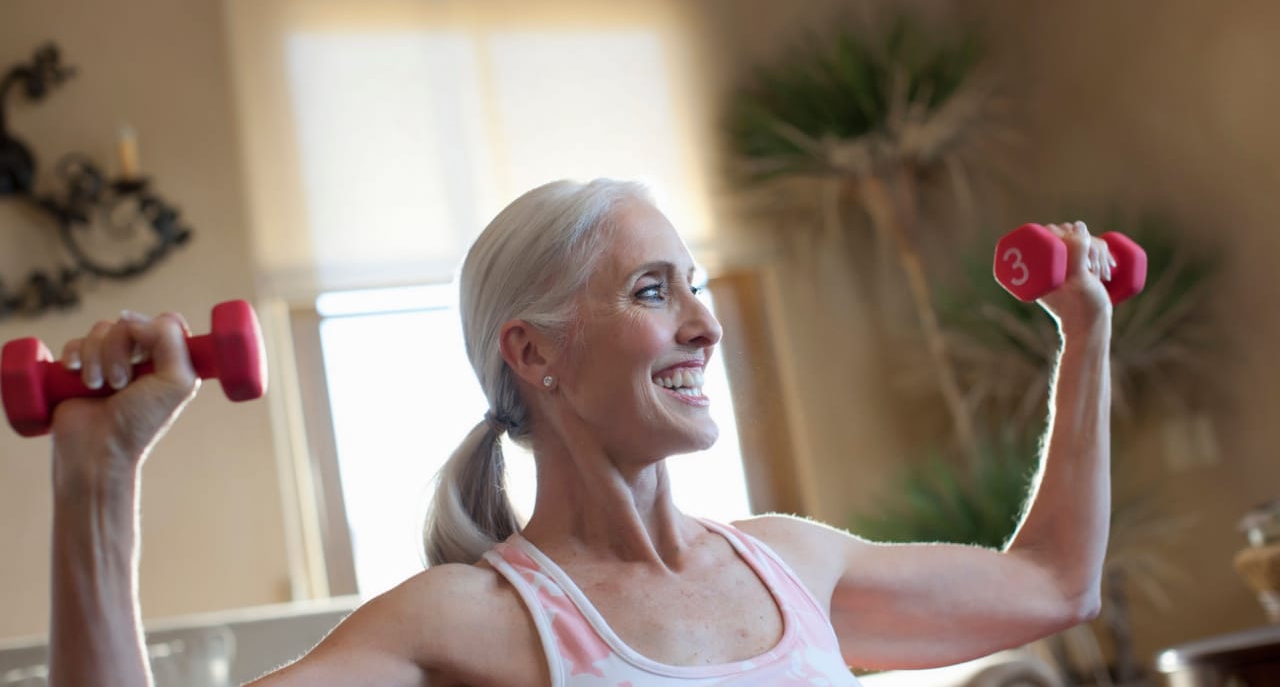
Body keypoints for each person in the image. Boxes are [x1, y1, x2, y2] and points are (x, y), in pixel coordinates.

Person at [44, 178, 1115, 686]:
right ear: (533, 353)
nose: (702, 321)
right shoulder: (471, 624)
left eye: (696, 286)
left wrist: (1084, 332)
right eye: (654, 290)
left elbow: (1054, 584)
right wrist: (99, 483)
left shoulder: (792, 565)